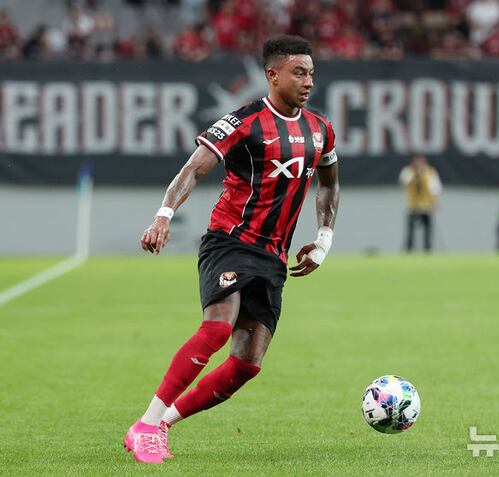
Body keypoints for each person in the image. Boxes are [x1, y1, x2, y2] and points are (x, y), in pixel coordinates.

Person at [123, 35, 340, 464]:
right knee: (218, 328)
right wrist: (164, 215)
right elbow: (194, 167)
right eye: (299, 73)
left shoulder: (320, 129)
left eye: (311, 73)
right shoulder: (244, 121)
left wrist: (324, 238)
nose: (308, 82)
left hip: (274, 257)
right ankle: (145, 425)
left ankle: (163, 423)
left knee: (247, 363)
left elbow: (330, 184)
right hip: (231, 240)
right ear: (272, 75)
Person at [398, 155, 442, 252]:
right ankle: (409, 250)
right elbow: (403, 183)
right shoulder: (408, 171)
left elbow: (435, 189)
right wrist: (416, 174)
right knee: (410, 231)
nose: (419, 164)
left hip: (426, 206)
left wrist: (435, 203)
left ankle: (427, 250)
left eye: (421, 162)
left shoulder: (430, 172)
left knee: (427, 230)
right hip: (412, 206)